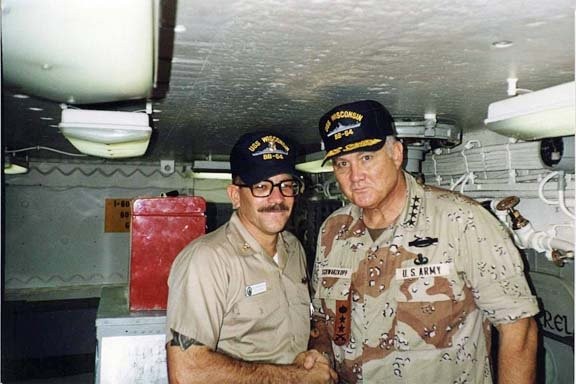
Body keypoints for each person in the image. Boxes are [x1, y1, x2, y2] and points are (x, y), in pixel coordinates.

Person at [308, 100, 539, 383]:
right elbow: (323, 319)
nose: (355, 176)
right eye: (343, 164)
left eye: (367, 157)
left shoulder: (462, 220)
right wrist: (318, 356)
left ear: (396, 153)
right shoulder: (332, 231)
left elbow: (518, 327)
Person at [166, 131, 337, 384]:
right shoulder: (207, 259)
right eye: (261, 187)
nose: (277, 198)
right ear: (235, 195)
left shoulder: (293, 248)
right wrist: (296, 377)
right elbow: (187, 373)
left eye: (286, 185)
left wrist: (314, 356)